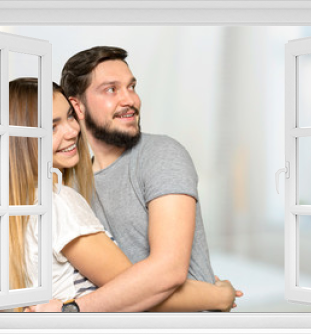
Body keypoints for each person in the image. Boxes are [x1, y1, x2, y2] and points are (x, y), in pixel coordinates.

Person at [0, 78, 240, 312]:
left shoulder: (25, 204)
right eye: (52, 127)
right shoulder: (58, 201)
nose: (72, 131)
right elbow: (139, 292)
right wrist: (219, 295)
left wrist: (198, 287)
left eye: (70, 117)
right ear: (22, 140)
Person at [60, 46, 228, 311]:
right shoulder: (73, 187)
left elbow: (169, 270)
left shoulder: (160, 154)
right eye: (111, 89)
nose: (130, 100)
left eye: (132, 86)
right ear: (77, 106)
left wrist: (72, 311)